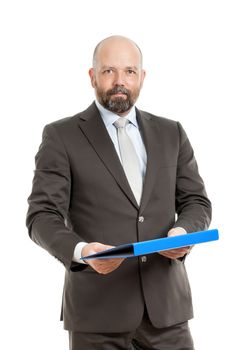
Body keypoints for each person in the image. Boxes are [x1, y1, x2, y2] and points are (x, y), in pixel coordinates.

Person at [26, 35, 212, 350]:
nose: (119, 81)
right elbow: (42, 216)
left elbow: (196, 202)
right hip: (97, 313)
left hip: (167, 312)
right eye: (109, 71)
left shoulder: (172, 133)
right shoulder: (61, 136)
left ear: (142, 76)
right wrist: (82, 251)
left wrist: (182, 232)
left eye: (129, 71)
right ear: (92, 76)